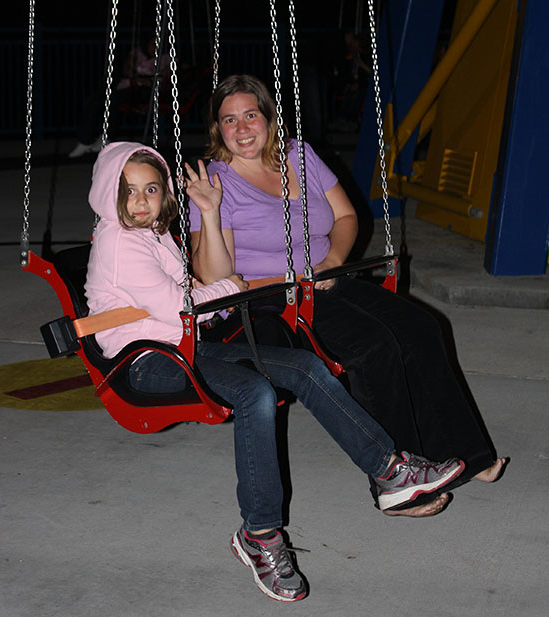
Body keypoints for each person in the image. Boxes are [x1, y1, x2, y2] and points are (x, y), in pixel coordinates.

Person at [84, 141, 465, 602]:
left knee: (303, 366)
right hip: (143, 363)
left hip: (180, 347)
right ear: (109, 194)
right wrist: (230, 286)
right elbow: (180, 306)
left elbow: (194, 306)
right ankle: (260, 536)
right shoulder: (118, 241)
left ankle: (390, 471)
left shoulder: (154, 236)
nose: (141, 202)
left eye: (151, 189)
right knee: (255, 393)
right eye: (128, 192)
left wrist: (216, 262)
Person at [187, 74, 507, 518]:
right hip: (270, 298)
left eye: (250, 115)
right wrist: (209, 209)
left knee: (420, 327)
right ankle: (396, 484)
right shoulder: (215, 181)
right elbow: (213, 275)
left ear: (268, 118)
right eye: (228, 120)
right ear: (217, 129)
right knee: (373, 347)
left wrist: (334, 259)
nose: (241, 129)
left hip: (327, 279)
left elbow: (345, 215)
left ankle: (466, 454)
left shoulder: (299, 156)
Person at [68, 36, 171, 159]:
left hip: (147, 92)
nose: (155, 47)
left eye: (158, 44)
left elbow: (167, 78)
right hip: (127, 86)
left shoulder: (167, 59)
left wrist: (146, 79)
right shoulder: (137, 53)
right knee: (94, 100)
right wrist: (133, 66)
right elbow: (127, 71)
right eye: (152, 44)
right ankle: (85, 140)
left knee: (113, 101)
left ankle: (106, 137)